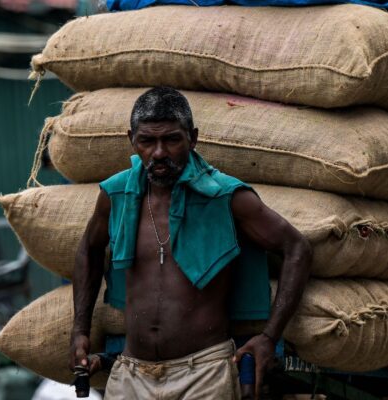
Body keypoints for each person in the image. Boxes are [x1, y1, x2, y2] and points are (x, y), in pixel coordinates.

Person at [69, 86, 312, 400]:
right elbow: (88, 250)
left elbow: (297, 249)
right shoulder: (115, 196)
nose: (159, 153)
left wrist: (269, 336)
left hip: (204, 372)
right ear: (132, 139)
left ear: (192, 138)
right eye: (147, 141)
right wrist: (79, 331)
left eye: (171, 140)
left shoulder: (224, 196)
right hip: (132, 372)